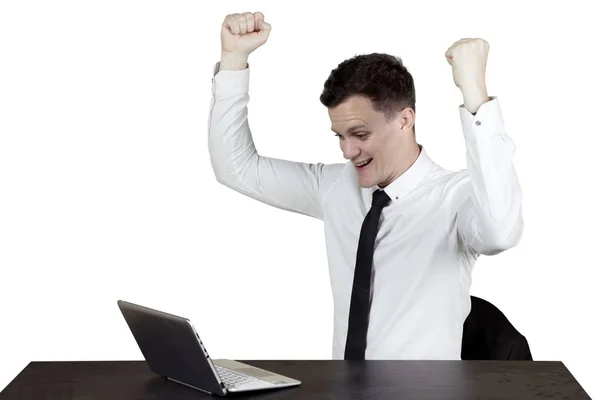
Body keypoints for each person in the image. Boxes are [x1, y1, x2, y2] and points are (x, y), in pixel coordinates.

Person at [208, 11, 523, 361]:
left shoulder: (455, 198)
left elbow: (500, 232)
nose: (347, 151)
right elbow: (236, 168)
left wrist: (475, 95)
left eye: (359, 135)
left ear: (405, 120)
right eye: (339, 136)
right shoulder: (335, 187)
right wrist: (234, 61)